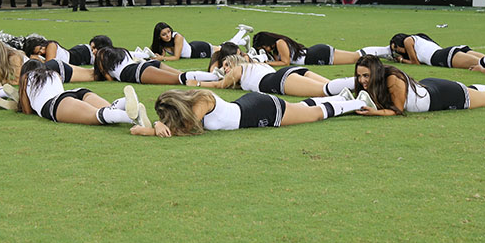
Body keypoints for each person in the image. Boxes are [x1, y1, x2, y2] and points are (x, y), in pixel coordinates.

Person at [129, 88, 366, 137]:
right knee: (302, 108)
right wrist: (158, 125)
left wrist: (149, 131)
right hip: (250, 104)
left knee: (312, 115)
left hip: (259, 111)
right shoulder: (193, 102)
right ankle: (339, 97)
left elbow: (187, 128)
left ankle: (358, 103)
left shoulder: (201, 99)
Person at [352, 55, 485, 116]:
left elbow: (397, 110)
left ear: (375, 72)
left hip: (442, 95)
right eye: (359, 76)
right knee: (476, 91)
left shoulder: (392, 80)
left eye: (366, 76)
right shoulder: (373, 82)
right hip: (428, 87)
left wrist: (375, 112)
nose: (362, 81)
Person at [18, 61, 151, 128]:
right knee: (107, 109)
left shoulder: (26, 78)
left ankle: (132, 118)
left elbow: (27, 110)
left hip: (56, 104)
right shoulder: (54, 74)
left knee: (98, 116)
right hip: (78, 92)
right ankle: (124, 102)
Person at [195, 54, 346, 99]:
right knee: (334, 87)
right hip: (288, 73)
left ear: (235, 63)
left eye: (227, 65)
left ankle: (365, 88)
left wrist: (197, 84)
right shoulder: (255, 66)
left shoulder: (239, 69)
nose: (225, 69)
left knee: (326, 90)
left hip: (276, 81)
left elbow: (218, 85)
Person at [253, 31, 391, 66]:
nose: (265, 49)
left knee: (356, 57)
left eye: (263, 47)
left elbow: (285, 63)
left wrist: (266, 63)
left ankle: (386, 50)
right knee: (356, 56)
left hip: (318, 55)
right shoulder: (277, 46)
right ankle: (385, 53)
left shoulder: (279, 43)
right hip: (315, 54)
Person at [92, 47, 220, 85]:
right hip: (146, 65)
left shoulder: (102, 56)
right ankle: (215, 76)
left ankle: (216, 77)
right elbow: (142, 54)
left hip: (137, 72)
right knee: (180, 74)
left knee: (180, 79)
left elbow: (108, 77)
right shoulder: (121, 51)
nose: (93, 52)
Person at [149, 22, 239, 61]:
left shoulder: (177, 37)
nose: (168, 35)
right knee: (224, 47)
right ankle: (243, 40)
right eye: (164, 34)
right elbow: (160, 56)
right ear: (159, 37)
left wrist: (161, 58)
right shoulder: (161, 44)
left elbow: (176, 57)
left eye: (168, 32)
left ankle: (242, 32)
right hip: (193, 47)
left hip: (199, 50)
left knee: (226, 50)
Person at [389, 33, 485, 69]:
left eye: (396, 47)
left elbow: (415, 62)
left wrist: (401, 60)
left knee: (484, 64)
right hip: (447, 51)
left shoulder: (407, 41)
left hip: (441, 57)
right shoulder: (418, 38)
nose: (398, 50)